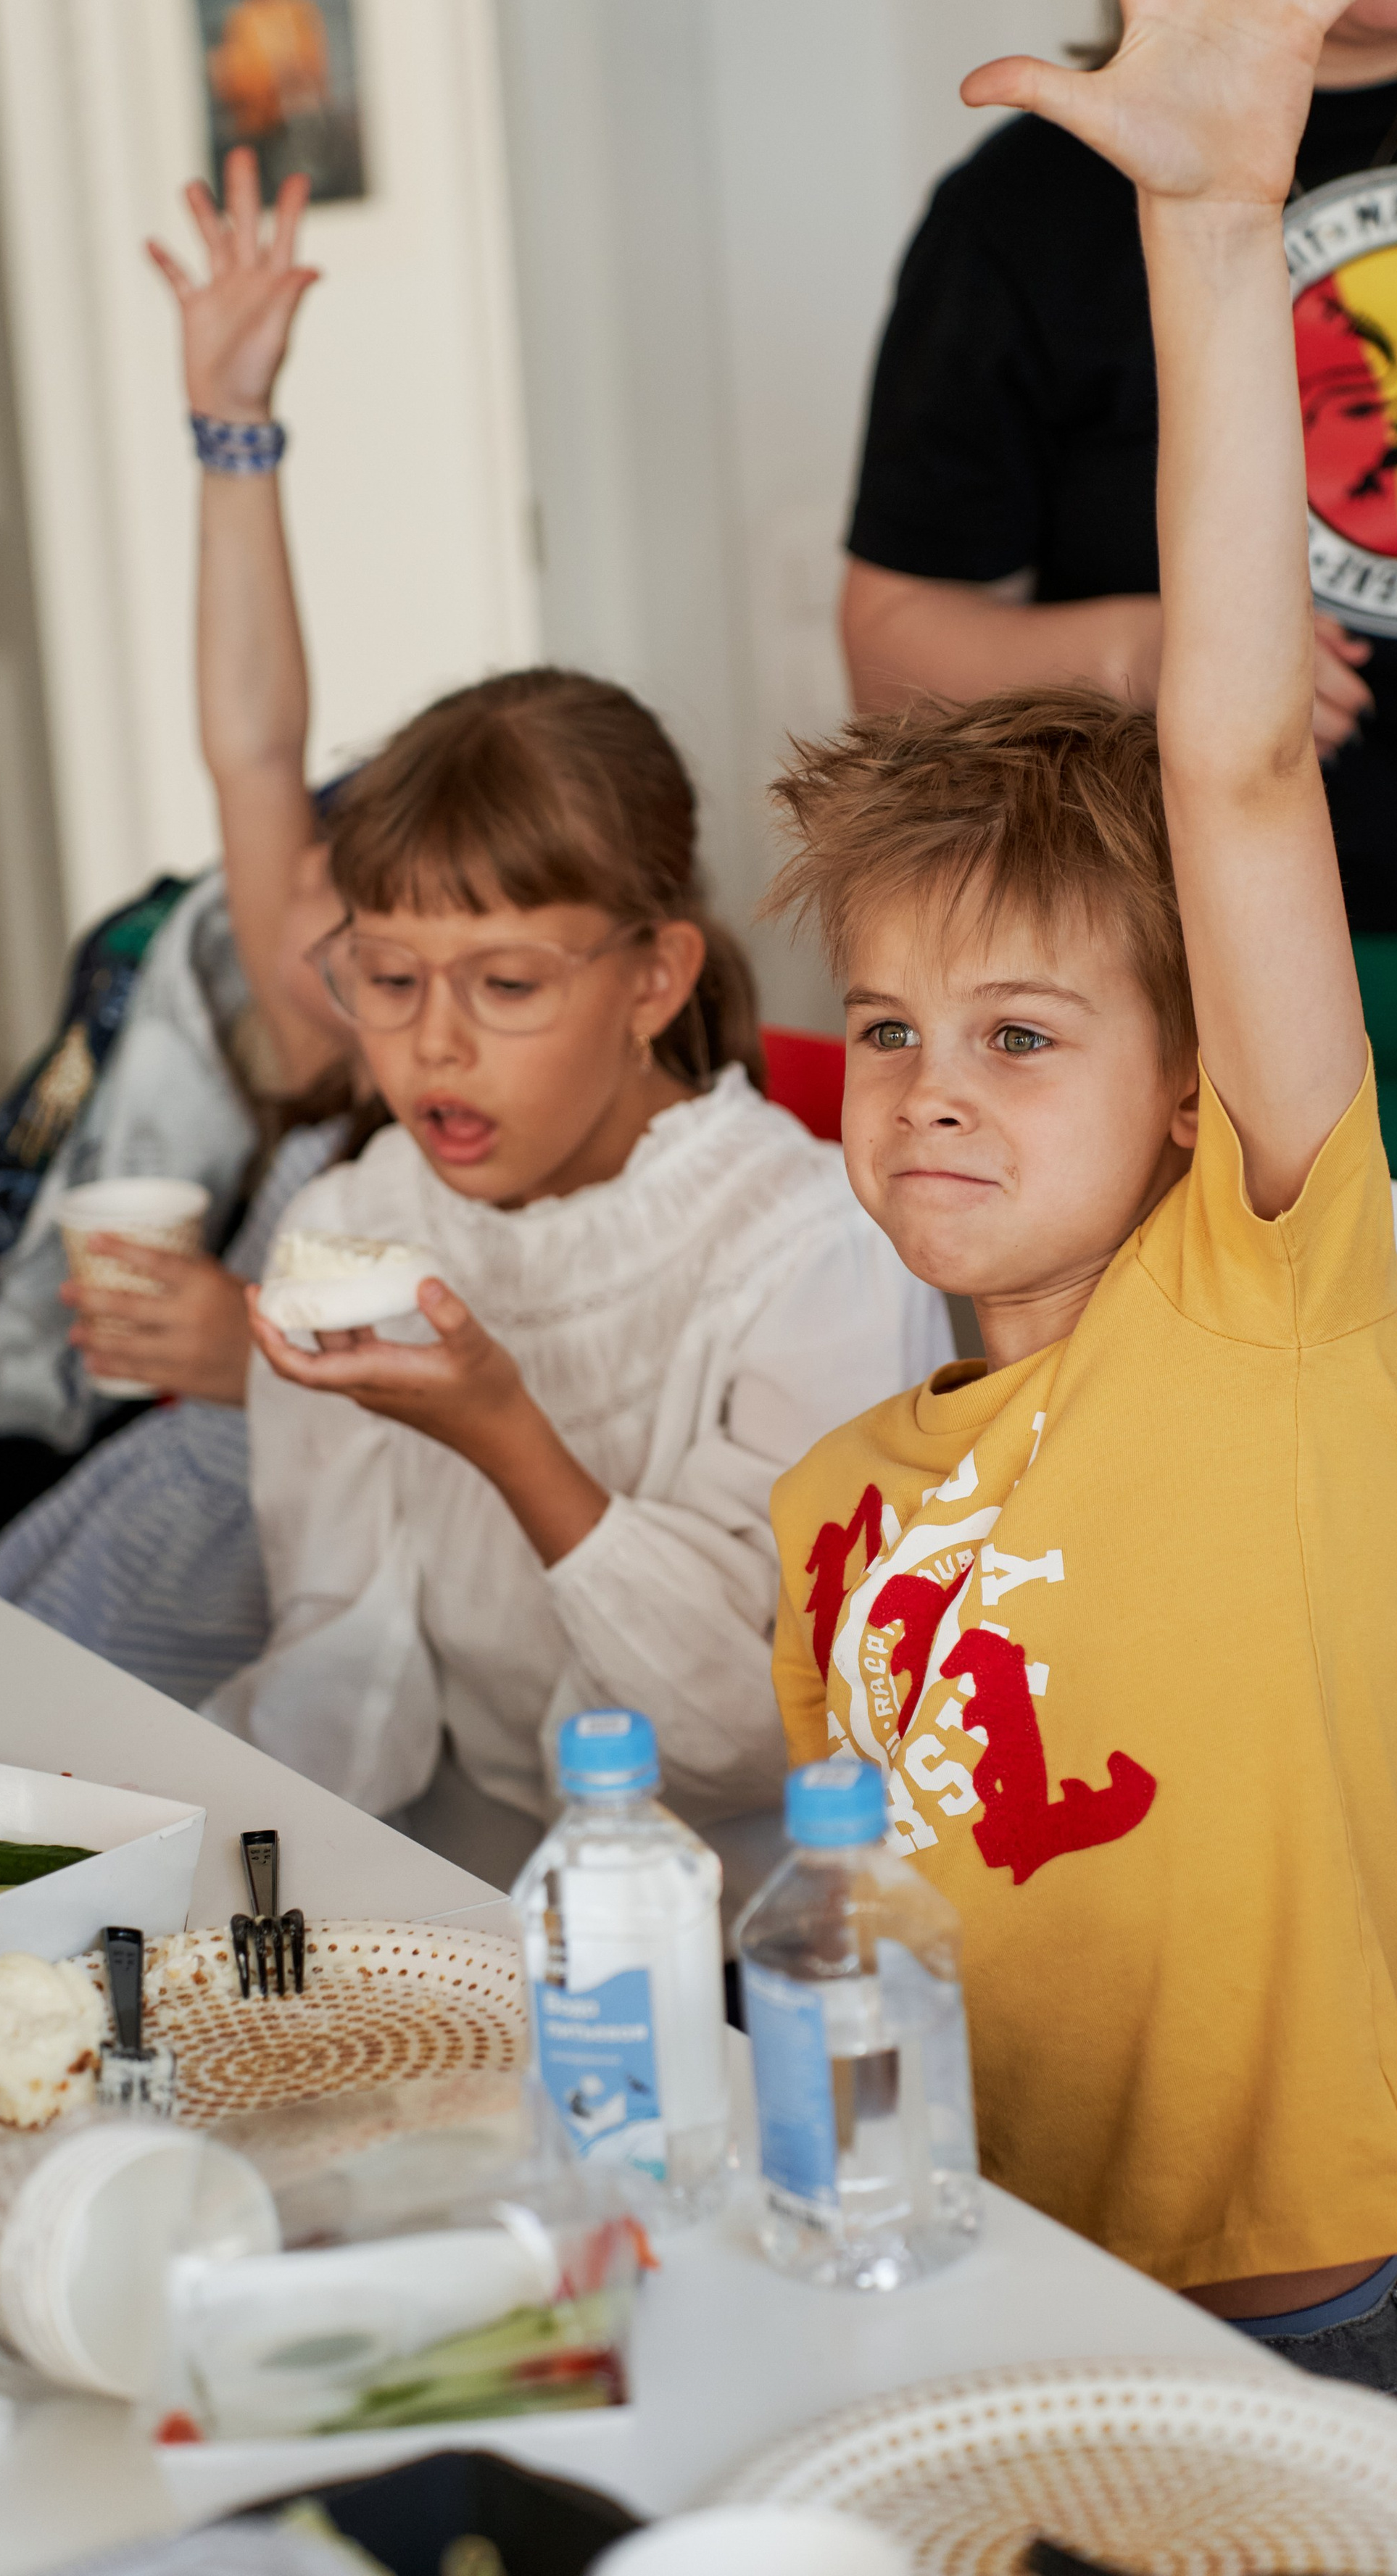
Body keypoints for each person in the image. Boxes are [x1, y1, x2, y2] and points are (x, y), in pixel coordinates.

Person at [840, 0, 1397, 2345]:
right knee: (1343, 1693)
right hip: (1280, 1051)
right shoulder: (1032, 208)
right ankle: (1348, 2254)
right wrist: (1120, 640)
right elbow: (897, 630)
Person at [768, 0, 1397, 2430]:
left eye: (1029, 1034)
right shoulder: (838, 1498)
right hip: (954, 2306)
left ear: (1199, 1095)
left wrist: (1214, 228)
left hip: (1284, 2347)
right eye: (896, 1031)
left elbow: (1238, 771)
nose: (932, 1091)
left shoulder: (1258, 1304)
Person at [210, 668, 952, 1906]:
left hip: (742, 1918)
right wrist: (278, 1887)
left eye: (505, 986)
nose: (434, 1043)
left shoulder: (820, 1252)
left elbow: (756, 1729)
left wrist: (506, 1435)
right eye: (390, 980)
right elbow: (342, 1635)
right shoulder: (359, 1223)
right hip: (458, 1871)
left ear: (653, 981)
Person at [0, 154, 370, 1692]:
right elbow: (255, 750)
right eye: (316, 902)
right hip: (140, 1546)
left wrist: (260, 1363)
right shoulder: (327, 1025)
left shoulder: (574, 1165)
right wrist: (233, 434)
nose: (325, 952)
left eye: (398, 954)